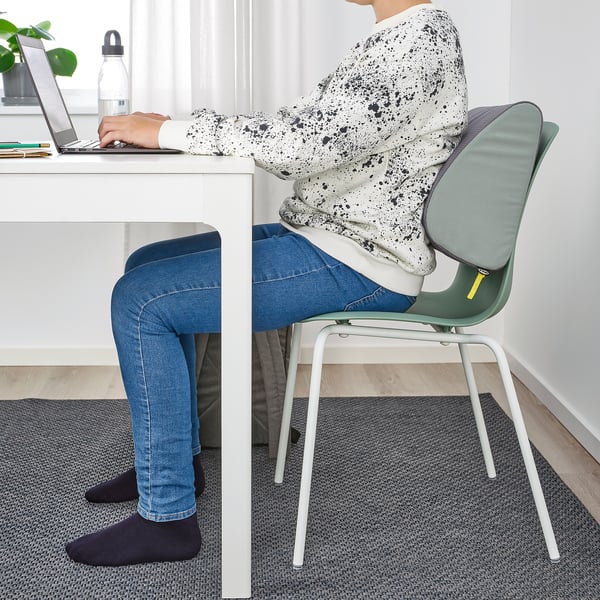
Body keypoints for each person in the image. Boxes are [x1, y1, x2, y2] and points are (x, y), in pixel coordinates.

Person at [66, 0, 467, 566]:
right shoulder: (397, 37)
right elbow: (298, 129)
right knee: (147, 265)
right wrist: (169, 131)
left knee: (141, 302)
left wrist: (171, 130)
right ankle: (172, 465)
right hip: (334, 236)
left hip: (358, 259)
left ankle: (168, 517)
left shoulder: (415, 42)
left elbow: (300, 146)